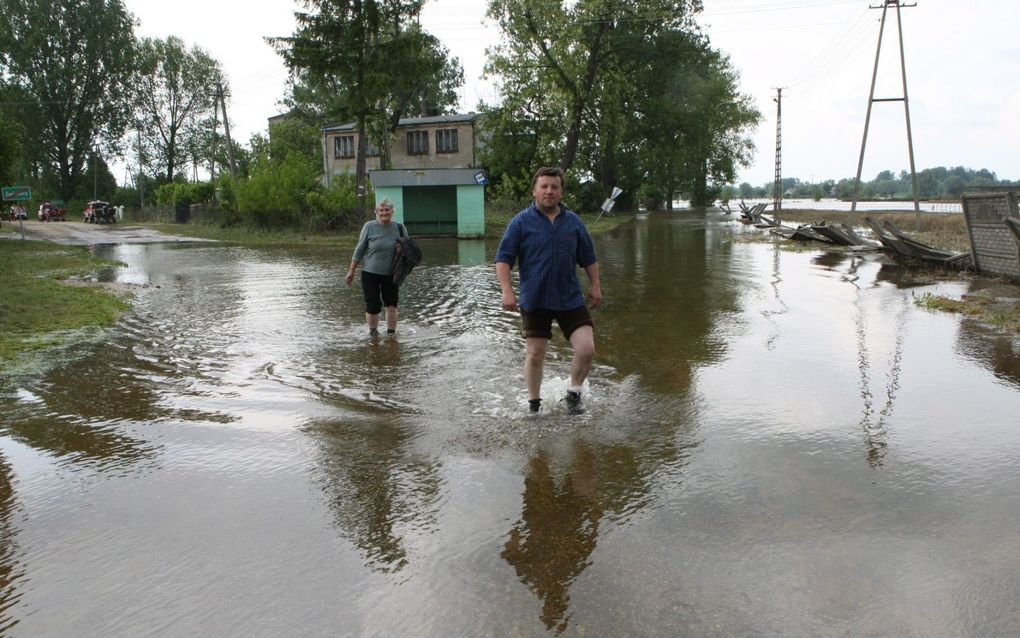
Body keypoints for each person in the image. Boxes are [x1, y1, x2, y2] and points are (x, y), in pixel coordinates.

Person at [495, 166, 602, 414]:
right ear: (534, 190)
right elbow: (503, 259)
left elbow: (589, 258)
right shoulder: (520, 222)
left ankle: (574, 394)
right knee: (535, 354)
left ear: (561, 191)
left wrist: (595, 286)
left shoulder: (573, 222)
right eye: (544, 186)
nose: (549, 191)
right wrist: (507, 291)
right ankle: (534, 404)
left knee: (587, 349)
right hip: (535, 298)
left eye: (554, 187)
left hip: (570, 297)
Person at [345, 199, 405, 336]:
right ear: (376, 212)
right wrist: (351, 271)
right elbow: (359, 249)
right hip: (370, 273)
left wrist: (401, 248)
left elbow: (409, 247)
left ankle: (391, 335)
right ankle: (373, 334)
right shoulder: (369, 226)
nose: (384, 213)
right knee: (372, 305)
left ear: (392, 212)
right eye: (381, 210)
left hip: (392, 273)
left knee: (391, 304)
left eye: (387, 210)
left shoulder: (400, 227)